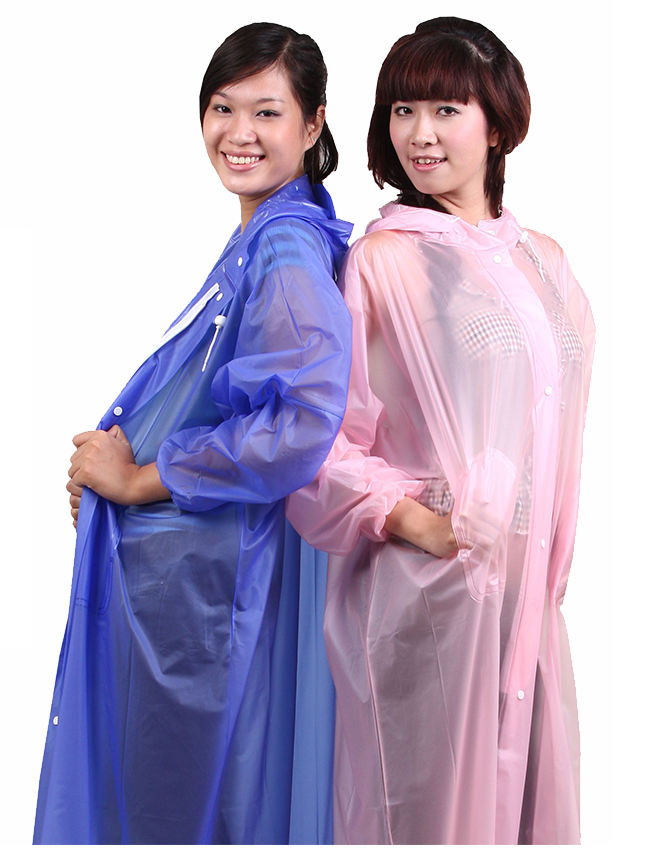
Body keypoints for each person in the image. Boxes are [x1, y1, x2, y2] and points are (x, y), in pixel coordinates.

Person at [33, 23, 352, 845]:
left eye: (267, 112)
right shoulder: (265, 231)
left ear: (313, 124)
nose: (239, 133)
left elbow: (301, 422)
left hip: (216, 597)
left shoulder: (284, 244)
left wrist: (141, 479)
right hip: (204, 586)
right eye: (222, 107)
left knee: (192, 810)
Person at [287, 16, 595, 845]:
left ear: (497, 124)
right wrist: (424, 525)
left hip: (528, 608)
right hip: (428, 599)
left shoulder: (544, 260)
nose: (420, 134)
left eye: (446, 110)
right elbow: (324, 437)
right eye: (403, 110)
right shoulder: (387, 260)